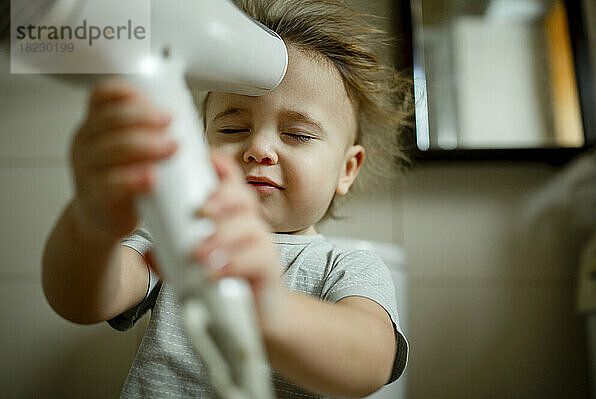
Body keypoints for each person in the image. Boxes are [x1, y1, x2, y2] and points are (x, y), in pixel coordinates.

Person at [42, 0, 412, 397]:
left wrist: (268, 308)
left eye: (298, 135)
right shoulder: (180, 234)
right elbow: (82, 302)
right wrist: (90, 222)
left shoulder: (348, 267)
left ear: (347, 169)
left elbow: (370, 361)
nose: (259, 149)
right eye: (233, 128)